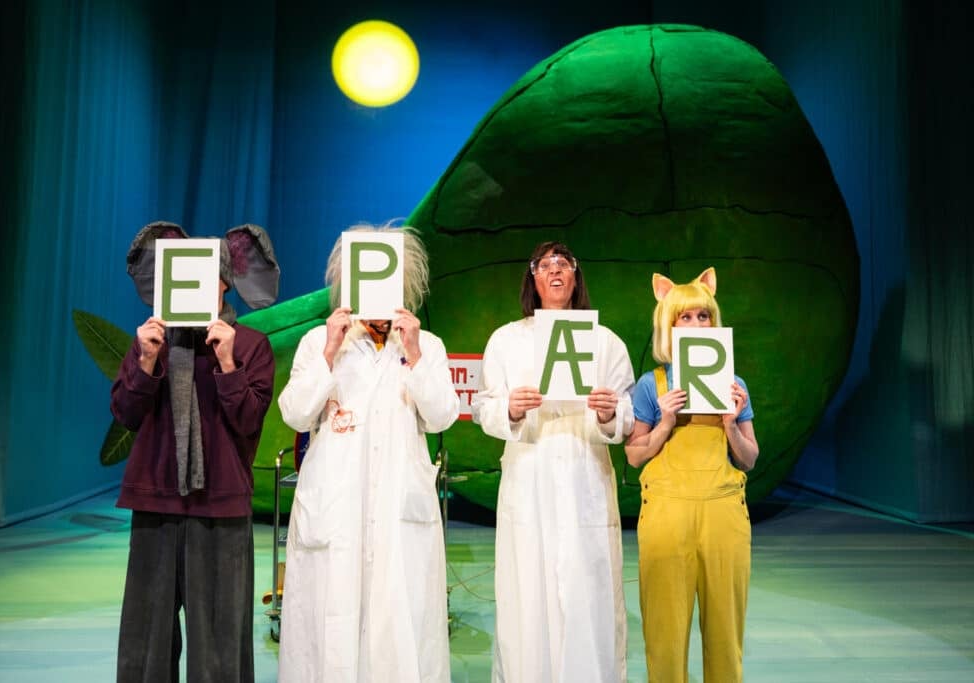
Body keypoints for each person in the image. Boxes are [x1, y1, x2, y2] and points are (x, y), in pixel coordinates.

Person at [277, 224, 459, 683]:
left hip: (399, 508)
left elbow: (442, 416)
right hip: (336, 507)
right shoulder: (318, 342)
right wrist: (329, 350)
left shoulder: (426, 345)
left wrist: (415, 354)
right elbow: (295, 413)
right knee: (330, 626)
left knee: (399, 628)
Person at [111, 222, 280, 683]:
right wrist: (146, 362)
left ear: (225, 281)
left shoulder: (251, 345)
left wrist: (227, 363)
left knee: (220, 646)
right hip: (155, 505)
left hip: (220, 509)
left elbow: (249, 421)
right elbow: (125, 413)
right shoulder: (151, 341)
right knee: (146, 642)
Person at [472, 241, 634, 683]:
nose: (555, 270)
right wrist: (510, 408)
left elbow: (626, 412)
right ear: (534, 279)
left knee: (588, 594)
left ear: (576, 277)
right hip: (530, 476)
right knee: (529, 593)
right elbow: (484, 407)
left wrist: (609, 414)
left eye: (564, 263)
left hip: (585, 476)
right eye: (545, 265)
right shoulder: (507, 339)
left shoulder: (605, 342)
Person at [624, 267, 759, 683]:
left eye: (704, 316)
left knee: (726, 631)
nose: (697, 324)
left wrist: (731, 424)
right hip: (667, 513)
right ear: (669, 325)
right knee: (664, 631)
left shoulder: (733, 384)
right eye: (686, 316)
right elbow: (634, 455)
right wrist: (665, 422)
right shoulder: (652, 384)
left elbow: (750, 458)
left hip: (724, 512)